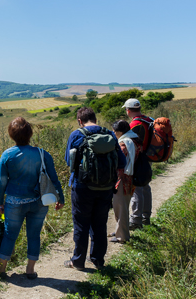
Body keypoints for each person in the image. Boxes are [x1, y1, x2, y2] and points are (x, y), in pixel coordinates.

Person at [0, 117, 65, 280]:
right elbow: (54, 179)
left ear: (11, 135)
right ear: (30, 134)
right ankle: (30, 270)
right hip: (39, 202)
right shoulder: (42, 154)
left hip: (14, 202)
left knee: (9, 235)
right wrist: (60, 198)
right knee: (34, 235)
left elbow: (1, 182)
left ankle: (1, 270)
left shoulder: (7, 155)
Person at [64, 107, 126, 270]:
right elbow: (122, 162)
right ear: (95, 119)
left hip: (82, 187)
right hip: (106, 187)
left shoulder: (77, 135)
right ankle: (98, 260)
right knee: (99, 224)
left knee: (81, 224)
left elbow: (68, 161)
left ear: (80, 121)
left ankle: (78, 261)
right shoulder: (109, 134)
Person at [122, 98, 153, 229]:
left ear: (128, 110)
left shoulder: (134, 124)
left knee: (137, 188)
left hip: (138, 159)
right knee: (145, 185)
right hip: (148, 157)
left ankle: (136, 220)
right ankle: (146, 216)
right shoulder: (149, 119)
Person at [110, 120, 143, 243]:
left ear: (120, 131)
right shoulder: (135, 139)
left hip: (122, 179)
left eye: (114, 131)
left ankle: (122, 236)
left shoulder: (124, 143)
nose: (114, 133)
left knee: (120, 206)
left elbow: (117, 160)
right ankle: (120, 230)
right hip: (131, 178)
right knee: (121, 205)